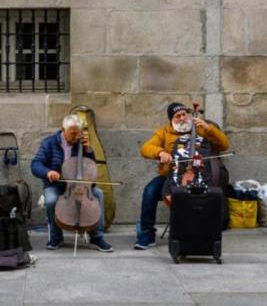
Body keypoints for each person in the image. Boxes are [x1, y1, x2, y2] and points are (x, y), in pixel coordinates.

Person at [134, 103, 229, 250]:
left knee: (207, 196)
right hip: (170, 176)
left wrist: (208, 128)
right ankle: (147, 234)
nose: (182, 118)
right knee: (150, 192)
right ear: (171, 119)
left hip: (199, 176)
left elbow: (224, 145)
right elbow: (145, 148)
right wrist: (160, 152)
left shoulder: (200, 129)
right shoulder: (164, 132)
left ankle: (200, 233)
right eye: (178, 116)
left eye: (185, 114)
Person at [31, 113, 113, 252]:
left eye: (78, 133)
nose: (75, 137)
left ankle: (97, 237)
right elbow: (36, 164)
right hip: (56, 185)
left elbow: (90, 167)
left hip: (80, 185)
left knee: (98, 194)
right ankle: (56, 237)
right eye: (72, 134)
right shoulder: (49, 143)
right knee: (50, 200)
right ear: (63, 130)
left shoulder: (81, 144)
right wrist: (48, 172)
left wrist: (88, 151)